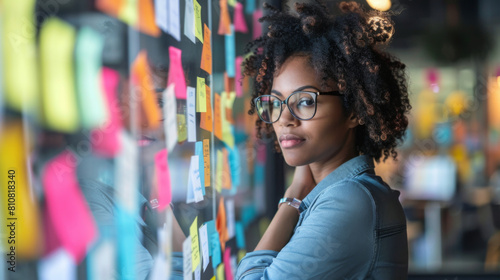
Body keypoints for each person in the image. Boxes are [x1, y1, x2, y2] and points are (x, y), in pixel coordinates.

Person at [235, 1, 411, 279]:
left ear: (354, 111)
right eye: (276, 103)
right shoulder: (335, 193)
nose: (284, 119)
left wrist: (291, 200)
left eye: (304, 102)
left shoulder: (351, 200)